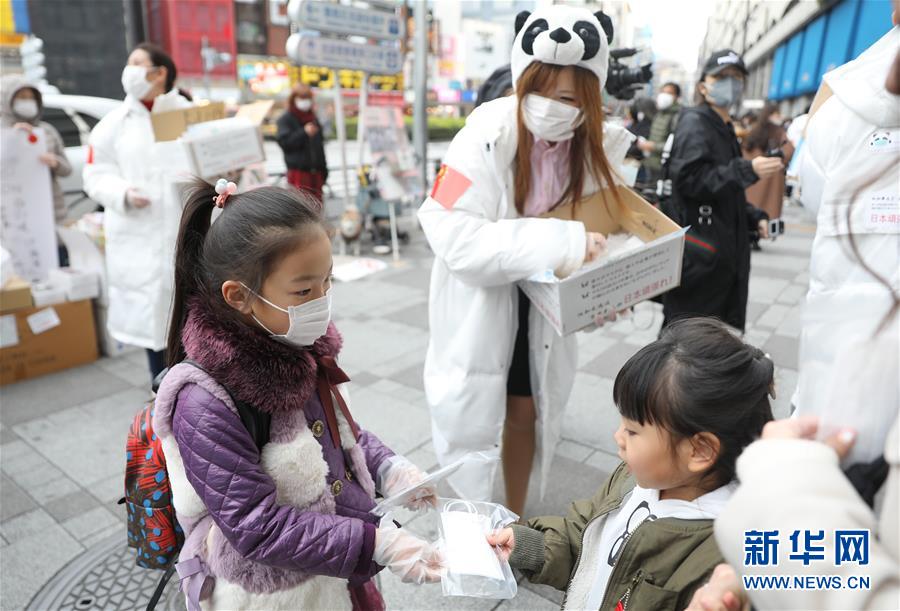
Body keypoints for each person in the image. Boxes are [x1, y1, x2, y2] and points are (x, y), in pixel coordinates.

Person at [154, 182, 442, 610]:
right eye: (304, 291)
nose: (322, 301)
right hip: (274, 594)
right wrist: (377, 544)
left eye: (328, 280)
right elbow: (256, 526)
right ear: (239, 296)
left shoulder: (298, 348)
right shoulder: (203, 402)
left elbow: (338, 436)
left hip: (338, 564)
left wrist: (390, 469)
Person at [417, 5, 634, 513]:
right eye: (542, 91)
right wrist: (565, 242)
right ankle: (473, 520)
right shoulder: (480, 136)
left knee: (527, 412)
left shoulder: (596, 149)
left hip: (543, 308)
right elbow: (451, 232)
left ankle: (513, 514)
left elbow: (601, 232)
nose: (553, 107)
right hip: (483, 302)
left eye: (569, 98)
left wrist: (606, 287)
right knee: (471, 424)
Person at [488, 317, 775, 610]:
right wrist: (530, 546)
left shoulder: (719, 560)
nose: (618, 437)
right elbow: (583, 537)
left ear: (699, 450)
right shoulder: (632, 480)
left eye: (633, 431)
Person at [82, 43, 193, 381]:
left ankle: (200, 387)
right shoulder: (114, 124)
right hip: (139, 233)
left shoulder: (186, 114)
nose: (129, 69)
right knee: (154, 319)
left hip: (186, 227)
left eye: (137, 63)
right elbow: (95, 174)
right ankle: (162, 390)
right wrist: (123, 193)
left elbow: (211, 157)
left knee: (193, 314)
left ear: (160, 73)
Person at [660, 49, 782, 333]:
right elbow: (689, 180)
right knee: (687, 339)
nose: (731, 83)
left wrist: (754, 217)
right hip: (700, 256)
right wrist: (747, 169)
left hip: (718, 255)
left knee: (708, 340)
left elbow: (725, 191)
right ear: (703, 86)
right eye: (722, 77)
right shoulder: (696, 122)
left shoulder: (723, 126)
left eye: (737, 77)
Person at [1, 76, 72, 226]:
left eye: (31, 98)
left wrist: (55, 163)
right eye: (22, 97)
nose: (28, 102)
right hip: (11, 215)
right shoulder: (3, 133)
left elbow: (67, 169)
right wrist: (11, 139)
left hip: (50, 211)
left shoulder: (47, 130)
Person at [741, 103, 794, 234]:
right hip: (771, 175)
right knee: (767, 211)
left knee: (749, 207)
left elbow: (744, 150)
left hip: (753, 175)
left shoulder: (754, 130)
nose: (779, 116)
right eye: (777, 114)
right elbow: (788, 151)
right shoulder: (779, 132)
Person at [276, 84, 328, 206]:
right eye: (302, 98)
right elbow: (285, 143)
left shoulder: (313, 119)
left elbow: (320, 147)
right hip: (298, 172)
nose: (305, 102)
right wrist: (303, 133)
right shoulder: (286, 119)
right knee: (301, 207)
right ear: (294, 99)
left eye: (307, 98)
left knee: (317, 207)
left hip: (317, 172)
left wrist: (324, 170)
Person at [638, 81, 683, 184]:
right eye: (662, 92)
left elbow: (676, 145)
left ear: (677, 97)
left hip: (664, 167)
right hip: (651, 163)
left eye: (669, 93)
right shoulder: (660, 113)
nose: (664, 95)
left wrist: (653, 146)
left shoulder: (677, 116)